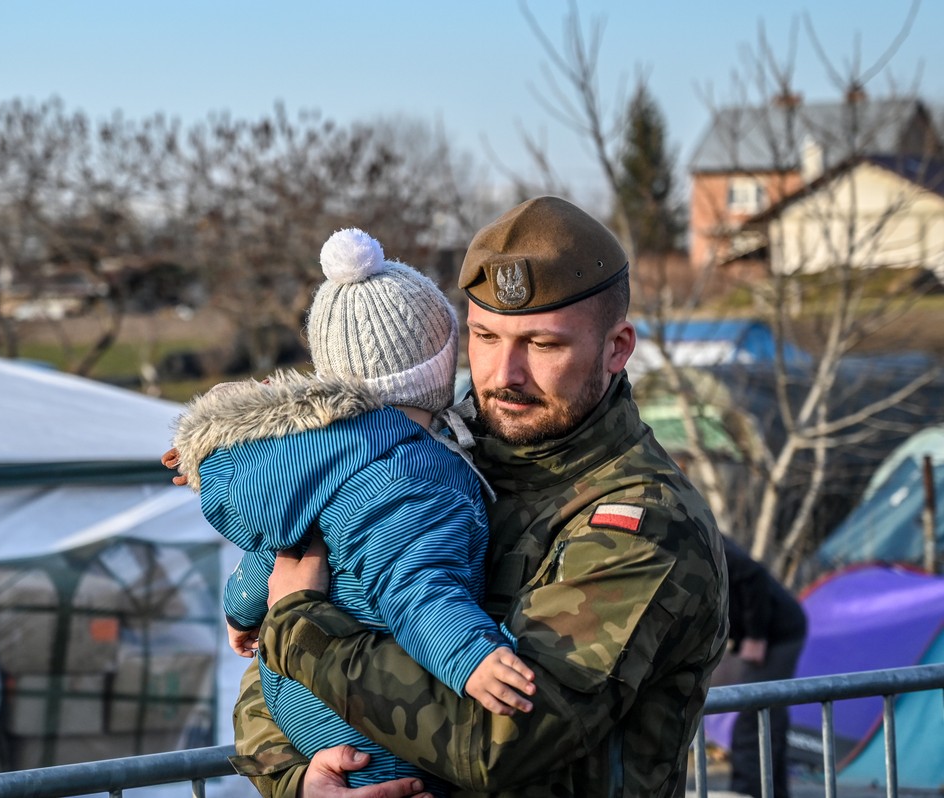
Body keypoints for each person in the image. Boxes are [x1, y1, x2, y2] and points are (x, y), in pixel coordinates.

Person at [231, 196, 731, 798]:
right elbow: (267, 676)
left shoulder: (643, 524)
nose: (503, 374)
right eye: (484, 336)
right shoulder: (418, 462)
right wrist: (301, 781)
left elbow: (497, 741)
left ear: (617, 348)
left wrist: (303, 628)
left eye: (543, 345)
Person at [164, 228, 535, 796]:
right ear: (438, 368)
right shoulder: (417, 476)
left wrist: (242, 613)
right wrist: (472, 658)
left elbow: (270, 558)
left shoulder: (306, 468)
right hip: (380, 738)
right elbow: (418, 585)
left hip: (307, 715)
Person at [721, 535, 807, 798]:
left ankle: (747, 793)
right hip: (778, 630)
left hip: (776, 635)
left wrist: (756, 636)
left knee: (754, 720)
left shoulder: (703, 534)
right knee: (769, 718)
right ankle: (775, 792)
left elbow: (753, 574)